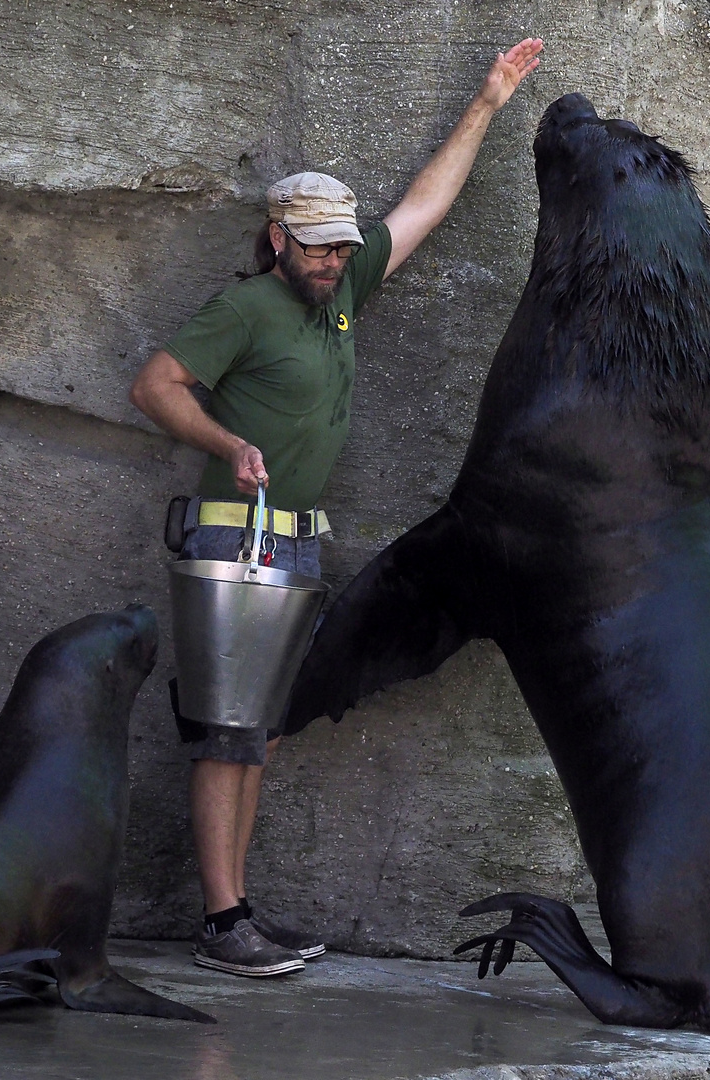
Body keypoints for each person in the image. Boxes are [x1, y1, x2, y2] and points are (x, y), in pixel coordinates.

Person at [129, 38, 543, 978]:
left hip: (294, 545)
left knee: (259, 735)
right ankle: (223, 919)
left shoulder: (341, 293)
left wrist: (486, 103)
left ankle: (235, 914)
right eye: (317, 247)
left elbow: (425, 206)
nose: (333, 261)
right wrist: (225, 445)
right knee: (225, 731)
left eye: (342, 247)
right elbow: (153, 384)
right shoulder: (245, 309)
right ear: (278, 238)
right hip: (232, 538)